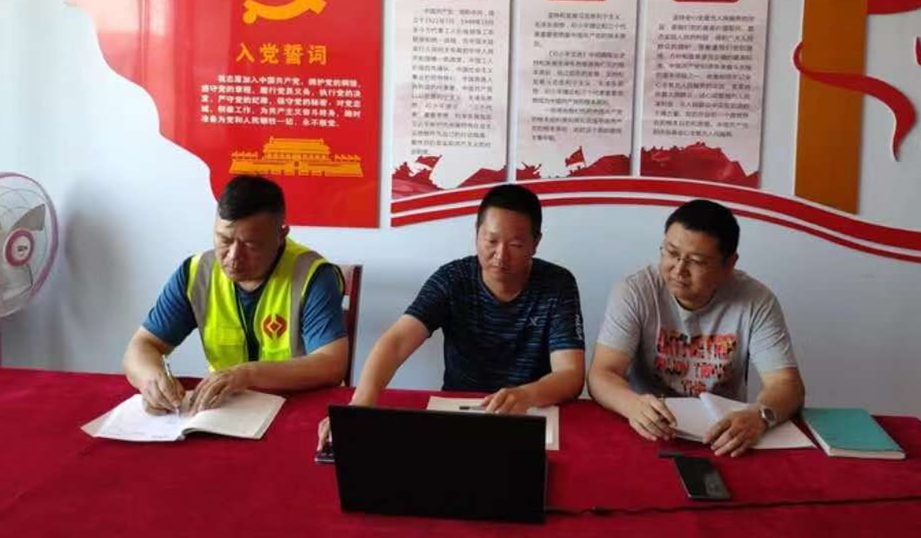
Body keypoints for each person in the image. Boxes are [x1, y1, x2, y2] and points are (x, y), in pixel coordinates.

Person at [318, 184, 584, 448]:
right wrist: (360, 403)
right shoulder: (453, 279)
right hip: (460, 412)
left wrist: (527, 394)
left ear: (535, 243)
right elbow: (397, 342)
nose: (500, 255)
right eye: (491, 241)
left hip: (532, 411)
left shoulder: (556, 285)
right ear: (476, 233)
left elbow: (570, 373)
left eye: (515, 244)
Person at [587, 199, 804, 457]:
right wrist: (631, 405)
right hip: (648, 429)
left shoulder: (756, 301)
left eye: (697, 261)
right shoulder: (635, 291)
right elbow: (602, 373)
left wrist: (759, 416)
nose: (679, 270)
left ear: (729, 264)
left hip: (722, 435)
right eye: (671, 253)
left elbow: (787, 385)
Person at [123, 175, 347, 414]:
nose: (233, 257)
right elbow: (142, 346)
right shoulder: (197, 274)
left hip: (295, 407)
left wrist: (247, 374)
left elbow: (331, 364)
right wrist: (152, 379)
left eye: (251, 245)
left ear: (281, 235)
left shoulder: (312, 275)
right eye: (224, 240)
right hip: (224, 410)